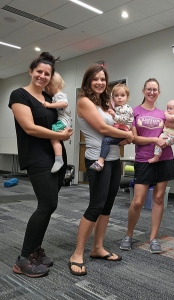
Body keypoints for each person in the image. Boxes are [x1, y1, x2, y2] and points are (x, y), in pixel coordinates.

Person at [9, 52, 73, 277]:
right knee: (46, 204)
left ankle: (35, 250)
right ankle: (23, 258)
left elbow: (59, 122)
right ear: (31, 71)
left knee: (50, 205)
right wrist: (61, 137)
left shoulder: (50, 98)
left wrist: (65, 131)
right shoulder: (19, 95)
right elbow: (29, 128)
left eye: (47, 73)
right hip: (37, 156)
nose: (43, 76)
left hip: (56, 157)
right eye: (39, 72)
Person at [69, 64, 134, 276]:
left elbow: (117, 127)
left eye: (103, 79)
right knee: (95, 205)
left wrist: (124, 138)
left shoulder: (106, 102)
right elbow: (103, 129)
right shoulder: (84, 101)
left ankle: (97, 248)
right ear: (88, 80)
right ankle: (77, 253)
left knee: (107, 205)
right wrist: (129, 136)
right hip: (97, 159)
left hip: (114, 159)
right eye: (95, 79)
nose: (99, 82)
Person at [120, 78, 174, 254]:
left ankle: (153, 238)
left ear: (159, 93)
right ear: (143, 91)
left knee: (159, 199)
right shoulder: (135, 112)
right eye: (149, 89)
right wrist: (155, 139)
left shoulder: (164, 113)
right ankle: (128, 235)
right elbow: (134, 138)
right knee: (138, 201)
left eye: (155, 90)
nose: (152, 92)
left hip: (165, 158)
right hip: (143, 159)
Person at [89, 83, 133, 171]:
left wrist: (114, 116)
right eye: (116, 95)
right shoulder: (116, 108)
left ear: (127, 97)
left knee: (106, 140)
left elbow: (124, 120)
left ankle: (100, 162)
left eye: (122, 95)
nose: (119, 97)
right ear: (113, 98)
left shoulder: (127, 108)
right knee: (107, 140)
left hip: (122, 130)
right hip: (119, 130)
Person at [43, 72, 72, 173]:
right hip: (64, 121)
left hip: (64, 121)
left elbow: (64, 104)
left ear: (49, 87)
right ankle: (58, 158)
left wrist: (50, 105)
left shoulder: (59, 95)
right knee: (55, 138)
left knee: (53, 136)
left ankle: (59, 159)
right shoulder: (57, 96)